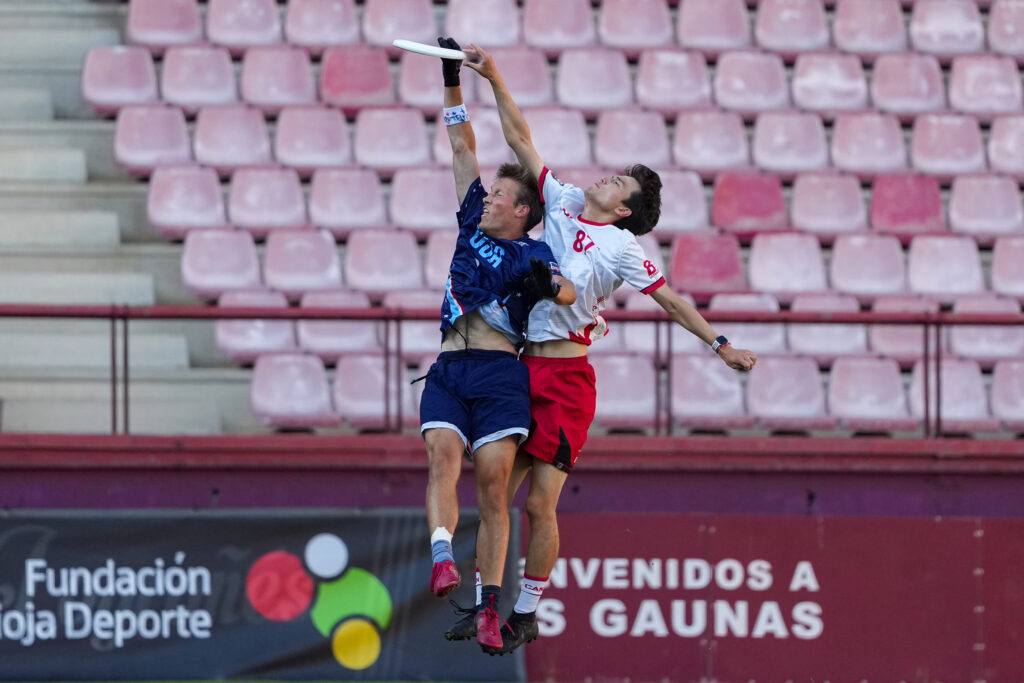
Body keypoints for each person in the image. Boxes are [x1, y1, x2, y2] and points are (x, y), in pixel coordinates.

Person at [446, 44, 759, 654]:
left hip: (565, 381)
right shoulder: (561, 202)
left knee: (539, 503)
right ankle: (487, 609)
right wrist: (494, 76)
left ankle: (527, 611)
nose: (606, 176)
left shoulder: (620, 248)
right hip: (519, 370)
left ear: (624, 208)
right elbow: (519, 138)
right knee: (493, 494)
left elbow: (670, 301)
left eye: (618, 181)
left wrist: (720, 343)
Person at [420, 37, 577, 655]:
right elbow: (463, 144)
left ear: (521, 212)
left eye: (497, 197)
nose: (486, 198)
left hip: (501, 374)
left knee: (492, 488)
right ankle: (440, 558)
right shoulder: (469, 221)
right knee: (441, 459)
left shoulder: (535, 251)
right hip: (450, 366)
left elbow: (565, 291)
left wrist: (551, 287)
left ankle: (490, 610)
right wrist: (452, 79)